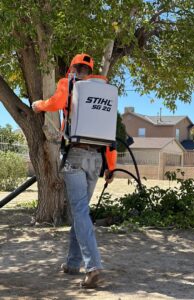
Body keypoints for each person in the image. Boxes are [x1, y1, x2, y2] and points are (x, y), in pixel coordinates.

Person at [32, 53, 117, 288]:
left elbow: (55, 103)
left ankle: (93, 268)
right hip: (97, 159)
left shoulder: (68, 84)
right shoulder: (105, 92)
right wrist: (111, 167)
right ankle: (72, 262)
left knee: (79, 211)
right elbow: (110, 136)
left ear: (72, 68)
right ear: (90, 70)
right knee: (81, 211)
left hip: (74, 156)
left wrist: (39, 105)